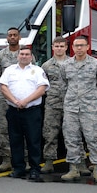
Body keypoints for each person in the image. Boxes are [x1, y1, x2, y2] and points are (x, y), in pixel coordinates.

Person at [60, 36, 97, 182]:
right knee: (71, 138)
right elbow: (63, 85)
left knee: (93, 138)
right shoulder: (66, 65)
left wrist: (92, 100)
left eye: (82, 45)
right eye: (76, 46)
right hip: (71, 108)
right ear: (72, 48)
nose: (79, 48)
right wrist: (70, 99)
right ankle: (74, 168)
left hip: (90, 108)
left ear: (87, 47)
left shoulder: (96, 65)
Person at [0, 46, 50, 181]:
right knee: (15, 141)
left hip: (32, 111)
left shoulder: (37, 70)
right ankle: (19, 168)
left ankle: (34, 169)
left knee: (33, 141)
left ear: (31, 56)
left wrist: (25, 101)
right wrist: (15, 101)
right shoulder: (9, 70)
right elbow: (3, 87)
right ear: (18, 56)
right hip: (14, 110)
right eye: (22, 54)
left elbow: (42, 89)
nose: (24, 56)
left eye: (27, 54)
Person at [0, 27, 21, 172]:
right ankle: (6, 159)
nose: (12, 37)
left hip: (22, 97)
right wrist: (4, 91)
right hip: (4, 98)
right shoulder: (0, 56)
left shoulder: (25, 54)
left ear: (19, 37)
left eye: (15, 35)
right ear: (7, 38)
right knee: (4, 128)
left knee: (22, 129)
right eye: (10, 35)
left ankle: (24, 159)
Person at [40, 37, 69, 173]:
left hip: (70, 104)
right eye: (56, 46)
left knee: (72, 133)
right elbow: (42, 86)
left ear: (66, 47)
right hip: (52, 104)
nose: (59, 48)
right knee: (50, 133)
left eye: (61, 46)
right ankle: (49, 161)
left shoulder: (72, 63)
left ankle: (77, 162)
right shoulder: (46, 66)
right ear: (52, 47)